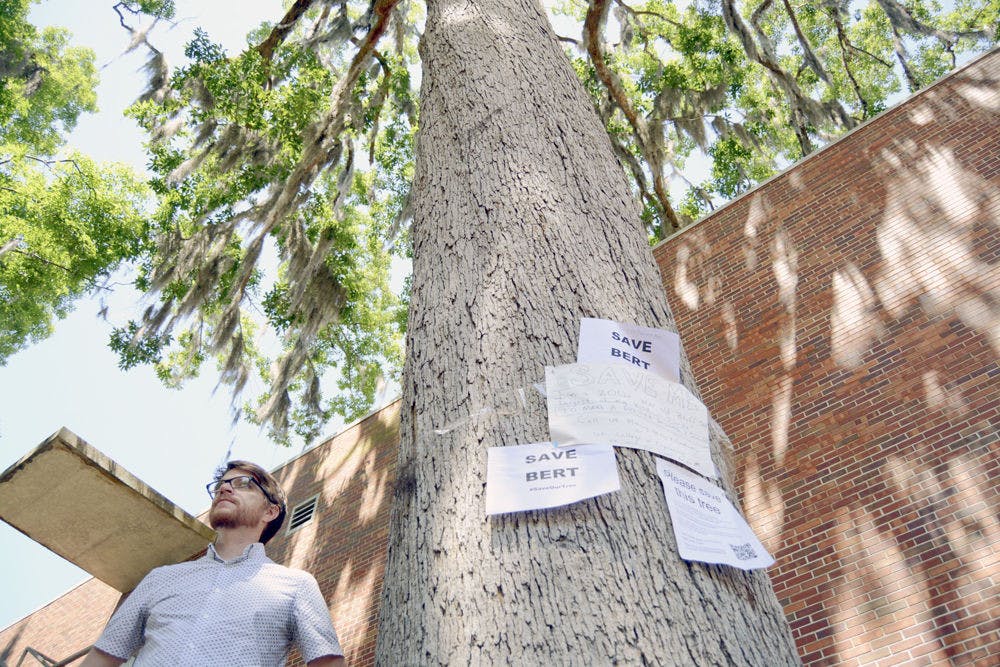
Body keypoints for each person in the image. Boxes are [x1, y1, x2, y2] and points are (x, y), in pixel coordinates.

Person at [80, 460, 346, 667]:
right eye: (221, 484)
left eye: (243, 483)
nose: (225, 488)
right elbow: (103, 658)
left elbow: (328, 663)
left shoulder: (296, 585)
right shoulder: (160, 578)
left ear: (270, 511)